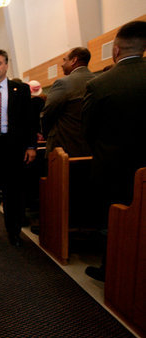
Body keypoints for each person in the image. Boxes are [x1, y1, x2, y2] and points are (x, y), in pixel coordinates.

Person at [82, 20, 146, 282]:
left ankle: (111, 270)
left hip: (112, 167)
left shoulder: (100, 84)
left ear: (116, 50)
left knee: (111, 222)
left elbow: (88, 130)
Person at [0, 49, 36, 246]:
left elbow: (30, 120)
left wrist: (31, 146)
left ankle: (14, 232)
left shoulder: (21, 89)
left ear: (6, 65)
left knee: (13, 192)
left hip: (13, 146)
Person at [41, 47, 95, 157]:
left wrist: (47, 135)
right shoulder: (98, 80)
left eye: (64, 60)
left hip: (63, 148)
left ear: (74, 60)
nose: (62, 64)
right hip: (91, 148)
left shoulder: (63, 83)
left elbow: (47, 114)